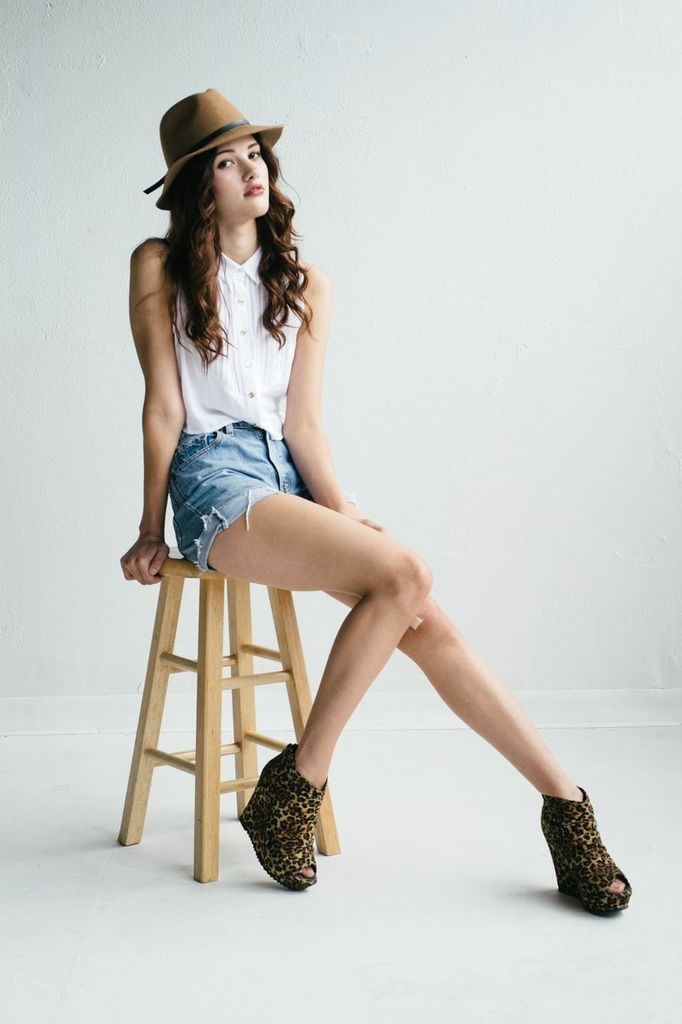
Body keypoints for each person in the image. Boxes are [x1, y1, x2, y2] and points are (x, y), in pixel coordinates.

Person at [120, 89, 631, 911]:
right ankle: (299, 784)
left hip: (288, 480)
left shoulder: (306, 284)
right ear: (195, 186)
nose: (251, 169)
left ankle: (565, 808)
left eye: (255, 153)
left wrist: (341, 511)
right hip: (215, 482)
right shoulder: (158, 264)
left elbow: (304, 424)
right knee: (408, 574)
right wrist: (150, 529)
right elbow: (162, 408)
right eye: (226, 161)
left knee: (421, 609)